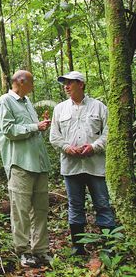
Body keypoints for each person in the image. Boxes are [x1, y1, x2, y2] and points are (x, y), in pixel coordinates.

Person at [49, 71, 116, 256]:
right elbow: (54, 136)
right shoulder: (60, 109)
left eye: (70, 83)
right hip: (71, 167)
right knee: (75, 205)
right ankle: (78, 248)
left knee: (102, 204)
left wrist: (94, 146)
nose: (66, 86)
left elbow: (109, 133)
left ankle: (109, 247)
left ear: (81, 84)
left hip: (96, 166)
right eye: (65, 83)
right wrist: (67, 148)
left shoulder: (99, 107)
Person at [0, 70, 53, 267]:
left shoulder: (27, 102)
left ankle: (40, 250)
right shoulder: (5, 100)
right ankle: (23, 251)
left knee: (40, 209)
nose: (33, 86)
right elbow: (9, 130)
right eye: (31, 82)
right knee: (20, 211)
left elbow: (32, 128)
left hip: (39, 163)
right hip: (20, 164)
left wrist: (41, 125)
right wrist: (34, 127)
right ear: (20, 82)